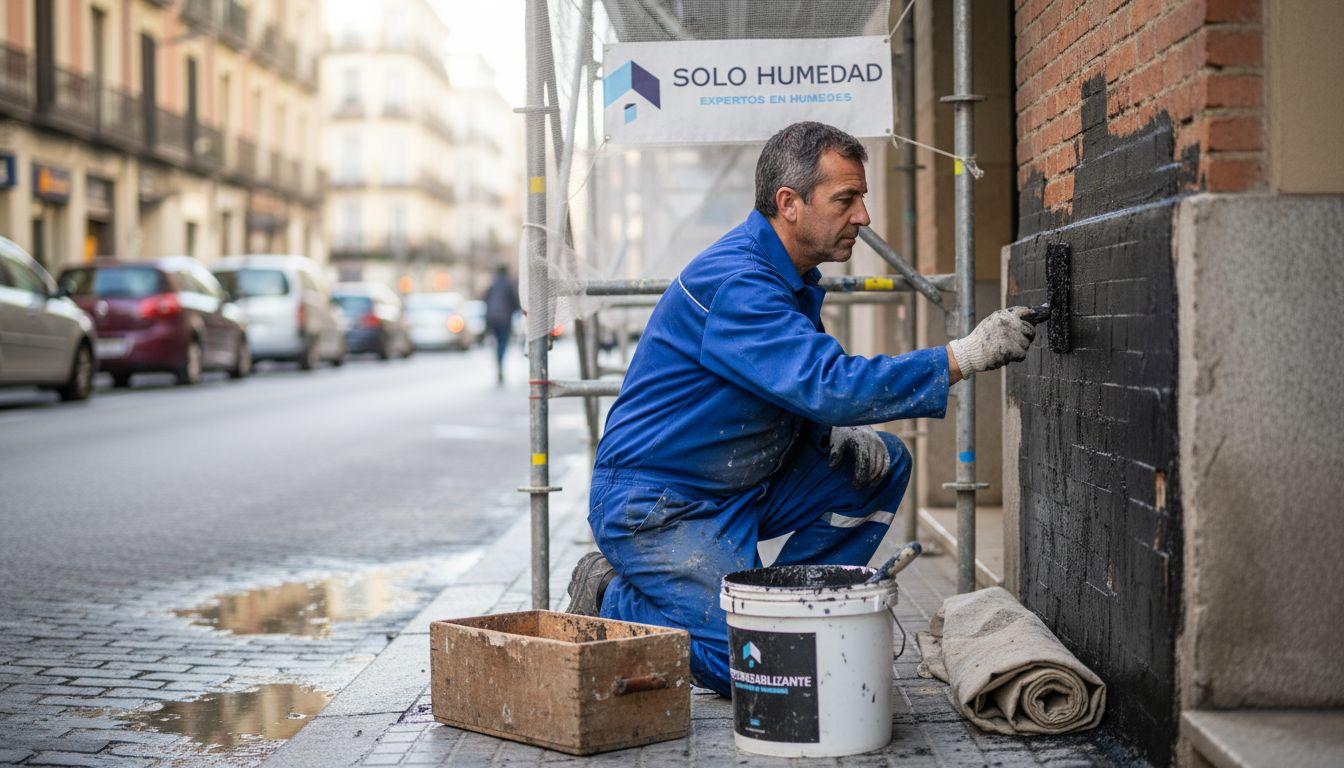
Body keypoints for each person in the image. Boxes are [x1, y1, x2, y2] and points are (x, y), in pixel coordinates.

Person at [564, 121, 1036, 697]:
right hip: (661, 505)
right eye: (846, 199)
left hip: (739, 486)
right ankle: (612, 593)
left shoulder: (788, 277)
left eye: (861, 198)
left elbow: (784, 388)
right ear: (789, 203)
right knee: (760, 667)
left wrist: (823, 440)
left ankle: (795, 606)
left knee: (880, 463)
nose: (863, 216)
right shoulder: (739, 283)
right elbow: (824, 384)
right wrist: (959, 357)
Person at [482, 265, 520, 384]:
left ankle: (499, 362)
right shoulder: (509, 284)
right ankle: (500, 362)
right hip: (504, 319)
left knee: (497, 343)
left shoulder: (492, 284)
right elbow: (515, 302)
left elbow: (485, 301)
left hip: (492, 319)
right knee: (503, 343)